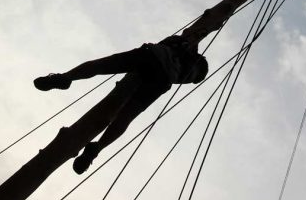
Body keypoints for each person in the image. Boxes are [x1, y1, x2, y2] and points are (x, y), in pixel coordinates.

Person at [33, 35, 208, 174]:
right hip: (159, 76)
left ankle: (65, 78)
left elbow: (171, 41)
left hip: (151, 58)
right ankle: (96, 147)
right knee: (125, 116)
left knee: (102, 67)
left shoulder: (185, 45)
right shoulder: (191, 54)